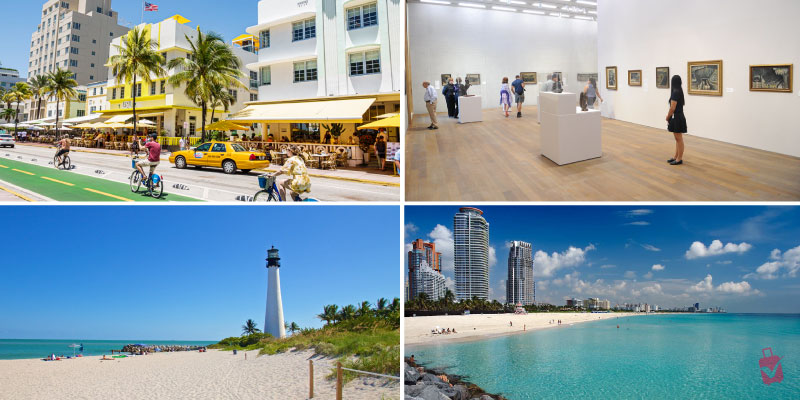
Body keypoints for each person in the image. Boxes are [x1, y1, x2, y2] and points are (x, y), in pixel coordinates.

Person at [666, 75, 687, 165]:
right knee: (677, 139)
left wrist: (667, 116)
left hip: (677, 117)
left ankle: (679, 159)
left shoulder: (675, 92)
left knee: (679, 139)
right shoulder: (679, 91)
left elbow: (672, 108)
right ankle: (676, 156)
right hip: (679, 116)